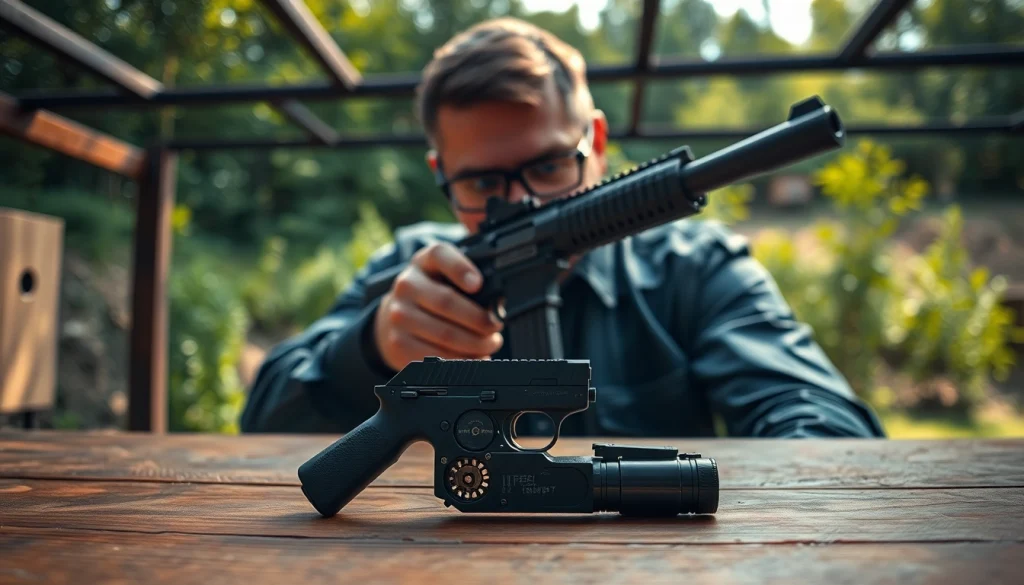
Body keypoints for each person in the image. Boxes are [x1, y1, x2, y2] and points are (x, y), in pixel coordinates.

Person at [240, 17, 885, 439]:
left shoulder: (692, 267)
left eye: (549, 165)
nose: (524, 203)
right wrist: (374, 347)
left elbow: (823, 426)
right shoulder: (418, 269)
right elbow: (264, 417)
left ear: (596, 142)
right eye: (485, 184)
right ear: (443, 176)